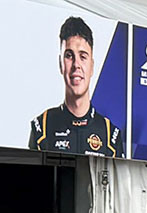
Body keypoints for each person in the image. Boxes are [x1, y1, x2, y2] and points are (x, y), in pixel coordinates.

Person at [29, 17, 124, 157]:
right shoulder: (42, 127)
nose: (76, 65)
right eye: (69, 56)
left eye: (83, 56)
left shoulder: (110, 134)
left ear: (92, 66)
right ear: (60, 64)